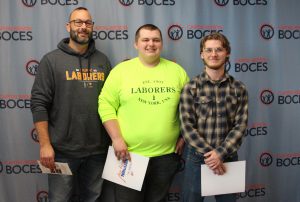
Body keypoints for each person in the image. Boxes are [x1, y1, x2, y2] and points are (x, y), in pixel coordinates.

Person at [98, 24, 189, 202]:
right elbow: (105, 104)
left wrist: (184, 137)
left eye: (156, 40)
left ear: (161, 43)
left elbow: (190, 109)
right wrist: (116, 139)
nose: (151, 44)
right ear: (136, 44)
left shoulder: (177, 72)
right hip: (128, 155)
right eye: (145, 40)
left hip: (166, 156)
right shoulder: (121, 71)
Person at [30, 7, 111, 202]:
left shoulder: (103, 60)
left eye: (87, 23)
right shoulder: (51, 60)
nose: (83, 27)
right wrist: (45, 144)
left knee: (93, 198)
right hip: (61, 151)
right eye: (78, 22)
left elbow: (111, 103)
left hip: (97, 151)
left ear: (92, 27)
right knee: (59, 199)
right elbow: (39, 103)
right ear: (68, 26)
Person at [179, 32, 248, 202]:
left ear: (227, 53)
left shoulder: (239, 88)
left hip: (228, 158)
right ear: (202, 54)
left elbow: (240, 126)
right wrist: (212, 155)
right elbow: (186, 126)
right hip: (197, 157)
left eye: (218, 50)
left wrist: (220, 154)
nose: (214, 54)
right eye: (208, 50)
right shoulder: (191, 87)